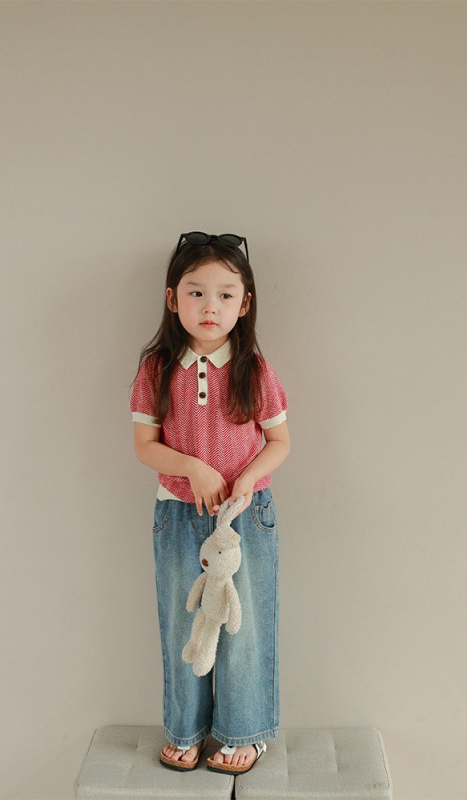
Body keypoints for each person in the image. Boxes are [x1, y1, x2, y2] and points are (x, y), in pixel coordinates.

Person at [129, 231, 290, 774]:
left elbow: (279, 441)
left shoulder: (255, 370)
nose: (209, 306)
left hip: (246, 516)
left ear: (244, 304)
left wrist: (248, 479)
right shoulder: (156, 369)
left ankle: (245, 732)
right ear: (172, 299)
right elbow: (145, 446)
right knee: (184, 624)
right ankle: (185, 729)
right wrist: (193, 468)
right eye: (195, 292)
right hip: (178, 513)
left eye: (225, 294)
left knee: (245, 628)